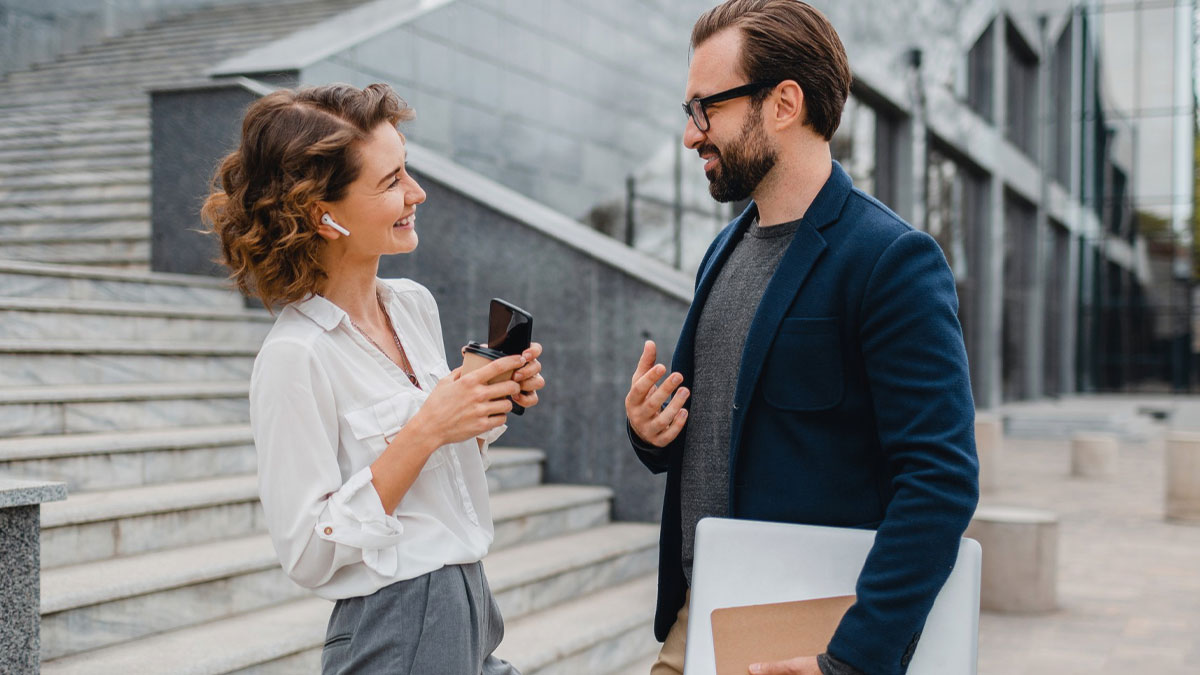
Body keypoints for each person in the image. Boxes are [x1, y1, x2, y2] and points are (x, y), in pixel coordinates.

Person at [623, 2, 979, 674]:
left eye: (705, 109)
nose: (690, 135)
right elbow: (737, 437)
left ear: (783, 102)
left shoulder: (891, 259)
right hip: (698, 617)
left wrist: (849, 659)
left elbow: (940, 479)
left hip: (808, 635)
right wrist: (652, 429)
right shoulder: (722, 250)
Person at [202, 83, 544, 675]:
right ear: (321, 214)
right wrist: (426, 428)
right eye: (391, 182)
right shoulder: (295, 356)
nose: (418, 193)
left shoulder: (412, 305)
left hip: (470, 605)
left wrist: (483, 408)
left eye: (406, 169)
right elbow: (308, 552)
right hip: (395, 622)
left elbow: (434, 482)